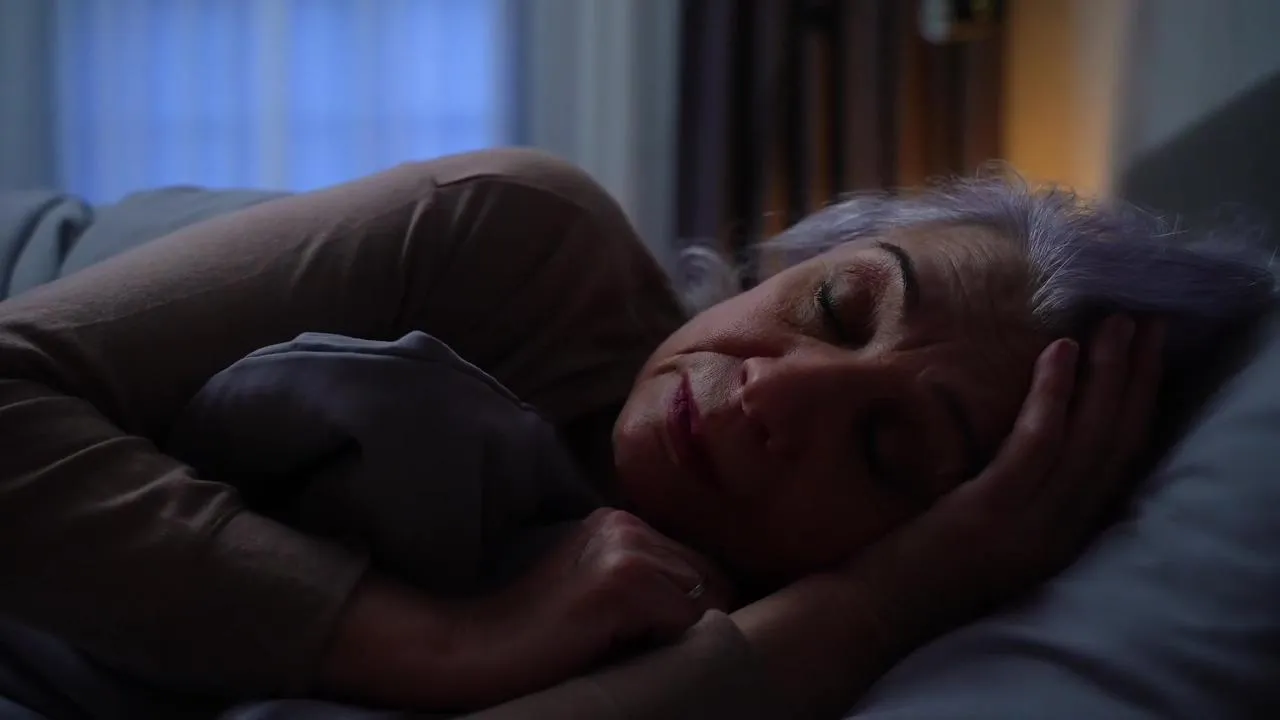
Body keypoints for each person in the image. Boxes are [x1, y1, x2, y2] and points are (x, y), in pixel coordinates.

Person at [0, 148, 1270, 720]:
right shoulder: (517, 237)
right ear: (781, 264)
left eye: (884, 452)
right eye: (836, 308)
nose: (775, 396)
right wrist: (436, 646)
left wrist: (881, 605)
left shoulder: (786, 653)